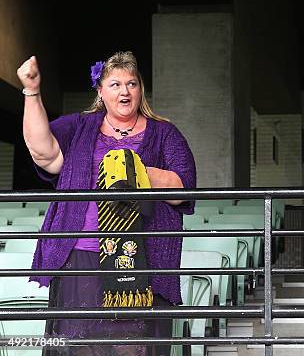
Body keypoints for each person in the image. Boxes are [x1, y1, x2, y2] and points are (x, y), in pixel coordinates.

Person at [18, 51, 196, 356]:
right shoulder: (80, 127)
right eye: (115, 84)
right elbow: (44, 154)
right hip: (81, 256)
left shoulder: (165, 133)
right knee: (80, 347)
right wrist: (32, 91)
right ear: (101, 91)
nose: (124, 91)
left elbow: (184, 189)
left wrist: (135, 170)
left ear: (141, 89)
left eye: (131, 83)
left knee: (135, 347)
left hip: (143, 261)